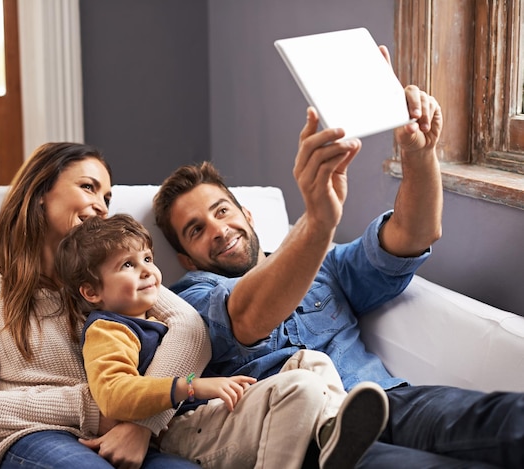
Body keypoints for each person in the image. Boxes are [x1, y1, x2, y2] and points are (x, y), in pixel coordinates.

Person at [152, 54, 524, 467]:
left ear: (248, 216)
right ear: (186, 259)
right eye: (196, 229)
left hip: (389, 400)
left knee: (511, 421)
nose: (218, 230)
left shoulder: (326, 265)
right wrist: (318, 222)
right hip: (310, 436)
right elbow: (248, 317)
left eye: (222, 211)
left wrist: (419, 153)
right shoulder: (189, 299)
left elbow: (412, 236)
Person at [0, 142, 210, 469]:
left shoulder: (108, 282)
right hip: (38, 436)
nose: (101, 207)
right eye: (88, 188)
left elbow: (191, 329)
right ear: (41, 191)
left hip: (123, 432)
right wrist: (93, 406)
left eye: (107, 198)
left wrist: (142, 425)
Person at [55, 213, 390, 469]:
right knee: (299, 387)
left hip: (205, 416)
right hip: (181, 432)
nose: (146, 271)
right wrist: (192, 386)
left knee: (311, 361)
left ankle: (330, 431)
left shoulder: (153, 318)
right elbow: (113, 395)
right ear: (92, 291)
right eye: (128, 265)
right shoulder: (108, 330)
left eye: (146, 259)